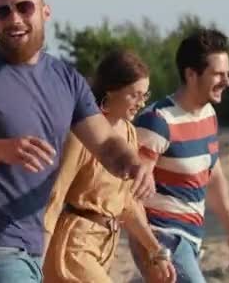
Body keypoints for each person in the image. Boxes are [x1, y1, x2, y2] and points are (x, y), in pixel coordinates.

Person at [0, 0, 155, 283]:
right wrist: (0, 149)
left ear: (46, 12)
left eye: (25, 7)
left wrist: (133, 164)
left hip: (35, 247)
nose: (14, 18)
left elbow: (105, 143)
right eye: (2, 11)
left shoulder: (67, 79)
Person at [43, 50, 176, 283]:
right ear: (111, 91)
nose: (142, 103)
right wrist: (35, 260)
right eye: (135, 95)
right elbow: (56, 195)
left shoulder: (129, 134)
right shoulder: (82, 134)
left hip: (106, 246)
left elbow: (127, 203)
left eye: (145, 95)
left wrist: (156, 251)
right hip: (74, 248)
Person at [131, 29, 229, 282]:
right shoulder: (157, 121)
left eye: (227, 73)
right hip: (163, 237)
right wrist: (153, 250)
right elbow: (130, 193)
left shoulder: (208, 115)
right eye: (218, 74)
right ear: (191, 74)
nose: (227, 81)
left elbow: (212, 174)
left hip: (191, 237)